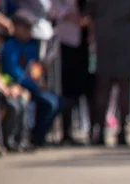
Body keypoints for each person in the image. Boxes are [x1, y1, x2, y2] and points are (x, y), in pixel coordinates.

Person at [86, 0, 130, 147]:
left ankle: (100, 132)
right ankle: (122, 132)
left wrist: (94, 34)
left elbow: (90, 13)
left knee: (103, 87)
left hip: (104, 35)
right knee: (124, 87)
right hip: (126, 36)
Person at [0, 9, 62, 147]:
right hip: (15, 85)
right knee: (33, 102)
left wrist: (42, 71)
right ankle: (16, 138)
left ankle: (37, 137)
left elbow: (33, 69)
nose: (29, 32)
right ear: (18, 27)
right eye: (26, 28)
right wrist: (34, 86)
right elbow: (14, 72)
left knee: (55, 101)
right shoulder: (10, 47)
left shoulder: (31, 46)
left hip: (31, 85)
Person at [51, 0, 95, 146]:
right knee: (69, 89)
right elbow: (52, 9)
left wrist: (90, 20)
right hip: (67, 41)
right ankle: (66, 132)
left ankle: (93, 130)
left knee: (89, 87)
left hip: (87, 43)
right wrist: (68, 15)